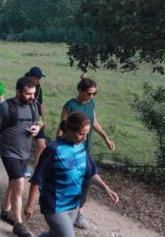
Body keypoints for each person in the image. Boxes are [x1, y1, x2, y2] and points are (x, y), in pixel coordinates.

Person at [24, 112, 119, 237]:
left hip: (74, 204)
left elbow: (90, 173)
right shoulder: (53, 150)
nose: (85, 138)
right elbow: (37, 179)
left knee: (54, 235)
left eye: (86, 134)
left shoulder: (80, 147)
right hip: (55, 206)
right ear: (68, 130)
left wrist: (106, 189)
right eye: (81, 134)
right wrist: (30, 204)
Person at [0, 77, 41, 237]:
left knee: (13, 182)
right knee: (19, 185)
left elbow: (39, 122)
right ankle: (18, 224)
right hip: (9, 152)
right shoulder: (6, 107)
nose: (32, 97)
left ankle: (5, 211)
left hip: (24, 153)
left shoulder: (33, 106)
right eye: (28, 94)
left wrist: (37, 128)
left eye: (33, 93)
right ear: (18, 92)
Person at [57, 77, 115, 229]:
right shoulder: (70, 106)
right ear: (80, 90)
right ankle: (65, 210)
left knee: (86, 180)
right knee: (72, 179)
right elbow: (63, 127)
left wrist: (106, 138)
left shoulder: (91, 104)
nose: (91, 96)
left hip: (85, 149)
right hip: (71, 149)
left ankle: (78, 212)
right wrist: (59, 147)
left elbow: (94, 122)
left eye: (94, 94)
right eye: (89, 93)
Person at [24, 66, 47, 178]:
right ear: (31, 77)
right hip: (26, 118)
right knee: (24, 146)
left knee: (42, 146)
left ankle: (36, 170)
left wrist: (43, 120)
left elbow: (40, 104)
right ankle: (22, 168)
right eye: (37, 78)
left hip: (38, 119)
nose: (39, 80)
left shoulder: (39, 88)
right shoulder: (24, 86)